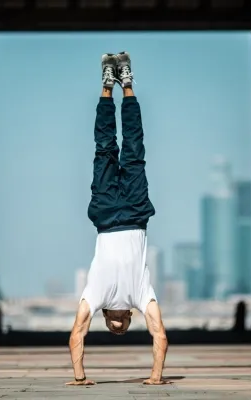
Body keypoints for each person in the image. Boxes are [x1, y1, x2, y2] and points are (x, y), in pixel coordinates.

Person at [66, 52, 169, 387]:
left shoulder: (125, 297)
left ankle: (115, 85)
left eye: (116, 324)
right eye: (120, 324)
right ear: (121, 317)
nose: (119, 320)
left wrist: (81, 378)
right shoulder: (126, 297)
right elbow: (77, 334)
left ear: (114, 317)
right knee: (119, 150)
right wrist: (153, 378)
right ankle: (120, 84)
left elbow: (160, 336)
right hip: (125, 213)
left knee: (117, 149)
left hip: (117, 214)